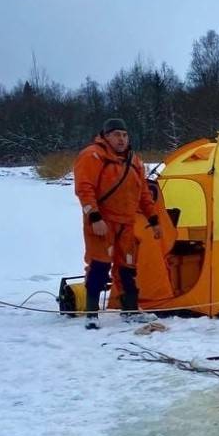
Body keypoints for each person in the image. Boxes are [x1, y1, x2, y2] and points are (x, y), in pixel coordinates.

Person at [72, 118, 162, 329]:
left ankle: (129, 309)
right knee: (100, 265)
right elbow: (84, 189)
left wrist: (154, 220)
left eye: (124, 135)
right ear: (106, 136)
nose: (121, 139)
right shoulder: (92, 156)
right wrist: (94, 217)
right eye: (116, 135)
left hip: (127, 224)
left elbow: (143, 195)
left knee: (128, 267)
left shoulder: (135, 161)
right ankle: (92, 314)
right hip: (102, 222)